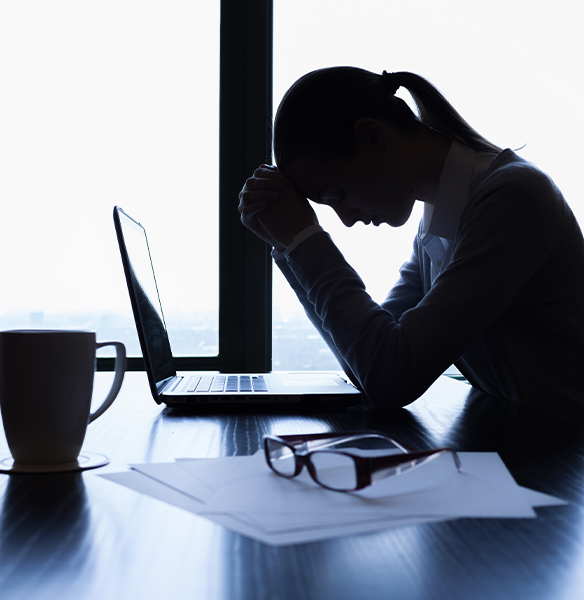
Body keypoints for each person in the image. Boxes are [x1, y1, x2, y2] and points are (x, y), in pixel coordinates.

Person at [238, 66, 584, 421]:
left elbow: (391, 377)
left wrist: (306, 243)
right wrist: (293, 248)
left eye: (339, 194)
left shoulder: (513, 198)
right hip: (538, 452)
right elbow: (368, 364)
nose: (346, 219)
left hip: (567, 461)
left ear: (372, 136)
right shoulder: (439, 225)